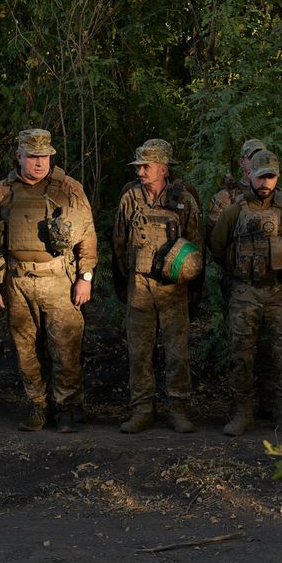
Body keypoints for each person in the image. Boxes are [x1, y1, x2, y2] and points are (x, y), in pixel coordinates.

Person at [0, 128, 97, 432]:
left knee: (66, 347)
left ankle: (67, 407)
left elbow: (88, 237)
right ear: (19, 156)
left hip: (58, 280)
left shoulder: (69, 188)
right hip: (18, 280)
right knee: (25, 349)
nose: (38, 162)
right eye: (32, 157)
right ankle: (37, 405)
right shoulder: (3, 192)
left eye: (44, 156)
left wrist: (85, 278)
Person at [209, 150, 282, 437]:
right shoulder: (235, 211)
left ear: (277, 177)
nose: (265, 181)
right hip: (245, 292)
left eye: (271, 176)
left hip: (280, 292)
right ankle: (242, 411)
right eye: (260, 175)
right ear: (249, 175)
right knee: (241, 353)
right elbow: (218, 246)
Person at [112, 139, 203, 434]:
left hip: (173, 289)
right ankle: (142, 409)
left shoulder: (184, 201)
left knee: (177, 352)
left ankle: (178, 409)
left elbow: (195, 247)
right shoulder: (129, 198)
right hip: (139, 286)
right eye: (138, 166)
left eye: (145, 166)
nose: (140, 171)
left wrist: (191, 288)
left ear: (163, 168)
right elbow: (118, 242)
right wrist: (126, 280)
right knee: (139, 351)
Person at [205, 137, 282, 416]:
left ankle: (273, 404)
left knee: (274, 349)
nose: (256, 162)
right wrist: (238, 268)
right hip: (239, 284)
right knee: (242, 347)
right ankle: (243, 406)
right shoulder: (225, 200)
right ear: (242, 163)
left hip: (274, 288)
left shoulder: (280, 200)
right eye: (252, 157)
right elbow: (215, 244)